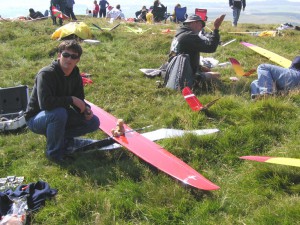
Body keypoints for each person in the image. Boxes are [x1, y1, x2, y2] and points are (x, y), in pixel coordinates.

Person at [24, 40, 100, 163]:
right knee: (58, 113)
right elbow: (45, 104)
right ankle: (54, 154)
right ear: (59, 55)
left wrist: (85, 109)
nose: (69, 59)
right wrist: (71, 100)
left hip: (61, 113)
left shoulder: (75, 74)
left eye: (73, 56)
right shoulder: (46, 74)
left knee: (93, 122)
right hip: (37, 118)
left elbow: (78, 98)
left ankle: (63, 140)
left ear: (77, 60)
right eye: (66, 55)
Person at [169, 14, 225, 84]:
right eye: (201, 25)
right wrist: (216, 29)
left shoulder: (179, 34)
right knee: (217, 75)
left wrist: (200, 67)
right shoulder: (189, 36)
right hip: (185, 77)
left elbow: (184, 55)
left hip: (174, 72)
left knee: (207, 70)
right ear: (194, 23)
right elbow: (211, 47)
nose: (201, 28)